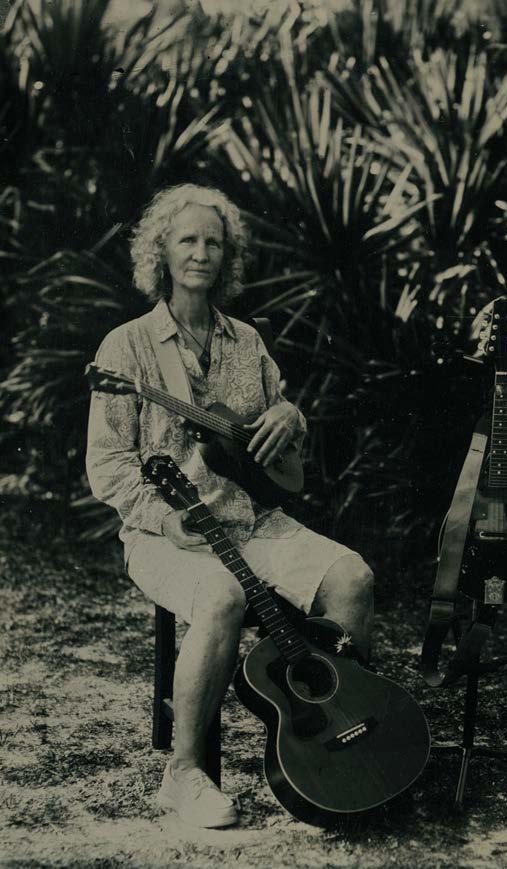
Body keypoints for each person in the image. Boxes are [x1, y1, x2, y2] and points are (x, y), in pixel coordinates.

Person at [86, 184, 374, 829]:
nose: (201, 253)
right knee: (221, 595)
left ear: (228, 256)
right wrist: (166, 518)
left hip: (255, 522)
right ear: (161, 251)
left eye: (214, 243)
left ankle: (341, 731)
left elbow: (278, 435)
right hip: (168, 534)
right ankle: (184, 773)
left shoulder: (246, 342)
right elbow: (106, 464)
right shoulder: (126, 347)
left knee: (352, 577)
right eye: (187, 240)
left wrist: (290, 414)